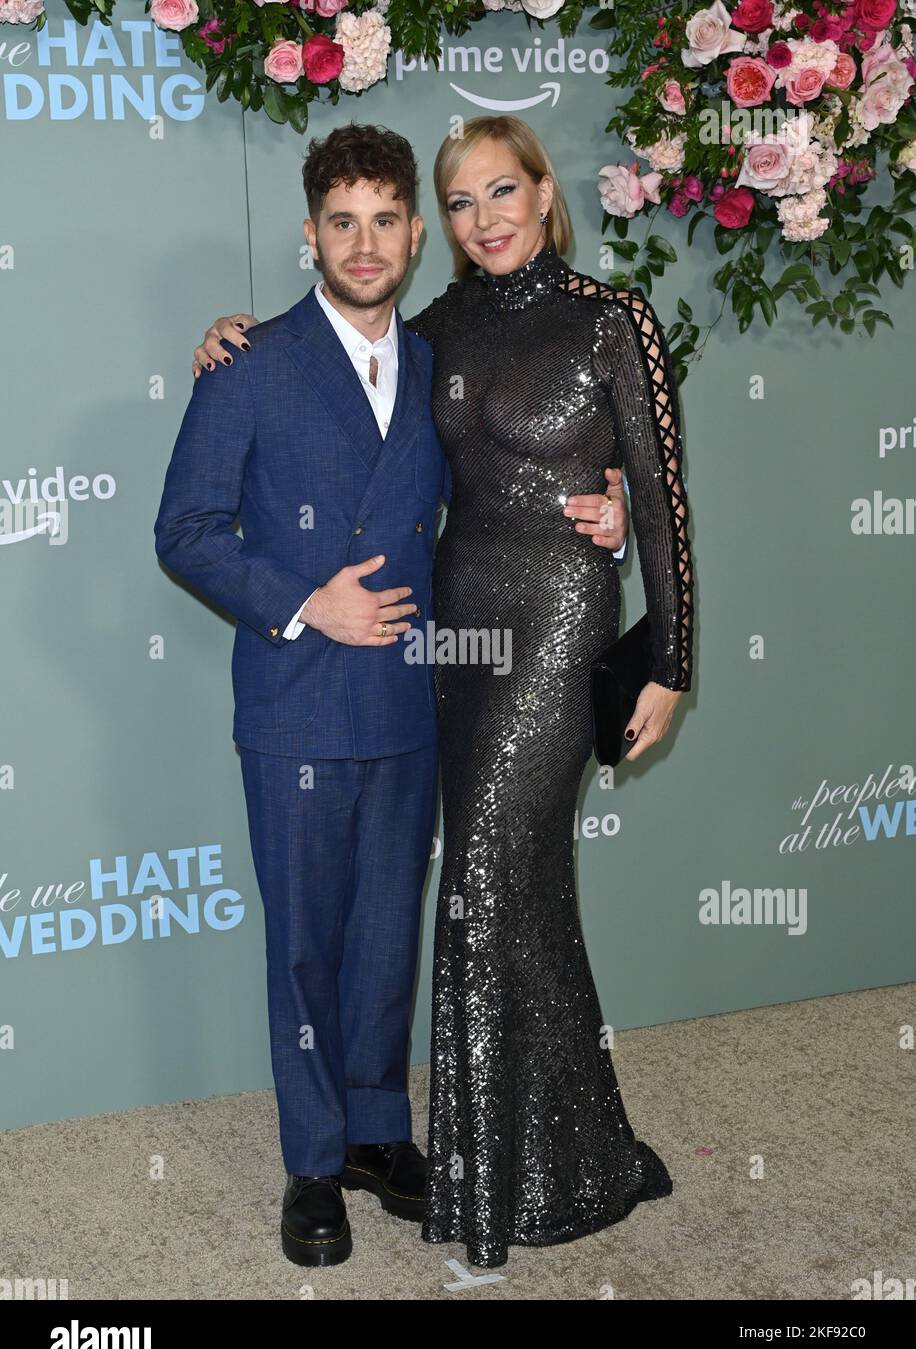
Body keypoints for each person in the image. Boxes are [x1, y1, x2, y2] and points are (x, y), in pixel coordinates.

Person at [157, 123, 628, 1270]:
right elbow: (186, 529)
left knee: (383, 939)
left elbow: (526, 458)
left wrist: (610, 504)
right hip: (297, 699)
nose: (363, 245)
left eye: (385, 221)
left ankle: (375, 1130)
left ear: (418, 236)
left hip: (414, 701)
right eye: (340, 223)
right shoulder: (252, 360)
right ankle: (314, 1159)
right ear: (310, 235)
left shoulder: (435, 361)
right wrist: (304, 601)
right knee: (307, 944)